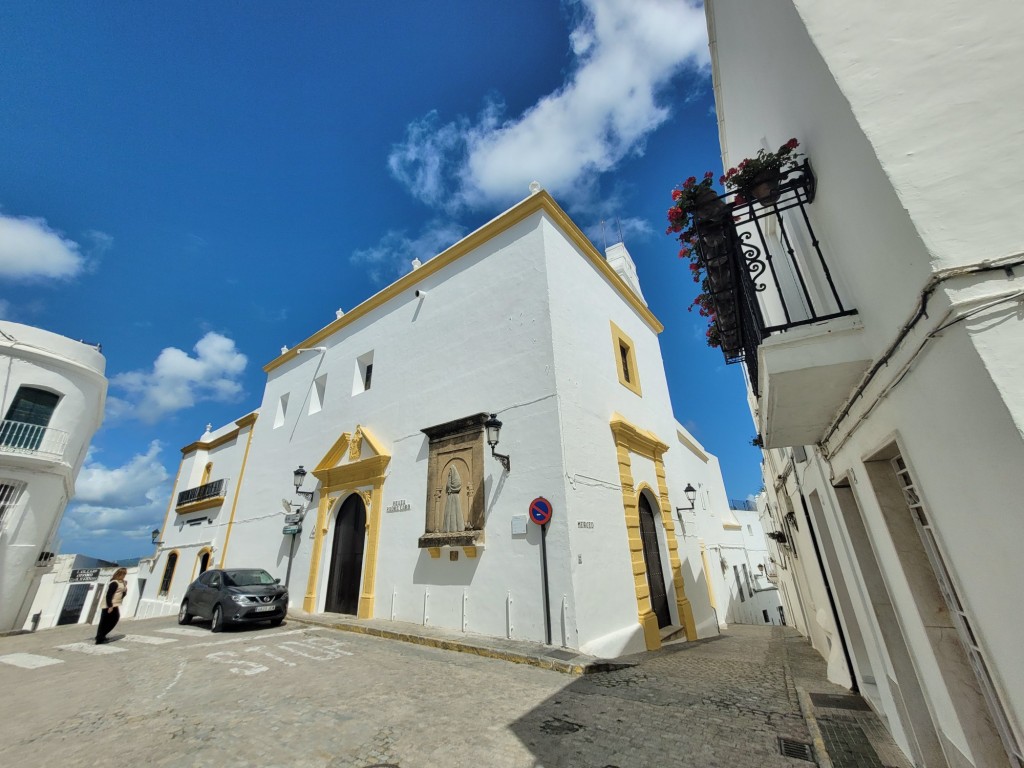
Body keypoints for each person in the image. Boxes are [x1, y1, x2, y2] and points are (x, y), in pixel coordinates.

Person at [95, 568, 127, 645]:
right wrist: (110, 606)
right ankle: (100, 638)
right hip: (110, 605)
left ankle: (101, 636)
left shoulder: (121, 583)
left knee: (110, 620)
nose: (124, 576)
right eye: (123, 574)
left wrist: (125, 587)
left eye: (125, 574)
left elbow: (123, 593)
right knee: (107, 621)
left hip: (115, 604)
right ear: (119, 574)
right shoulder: (114, 583)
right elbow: (109, 595)